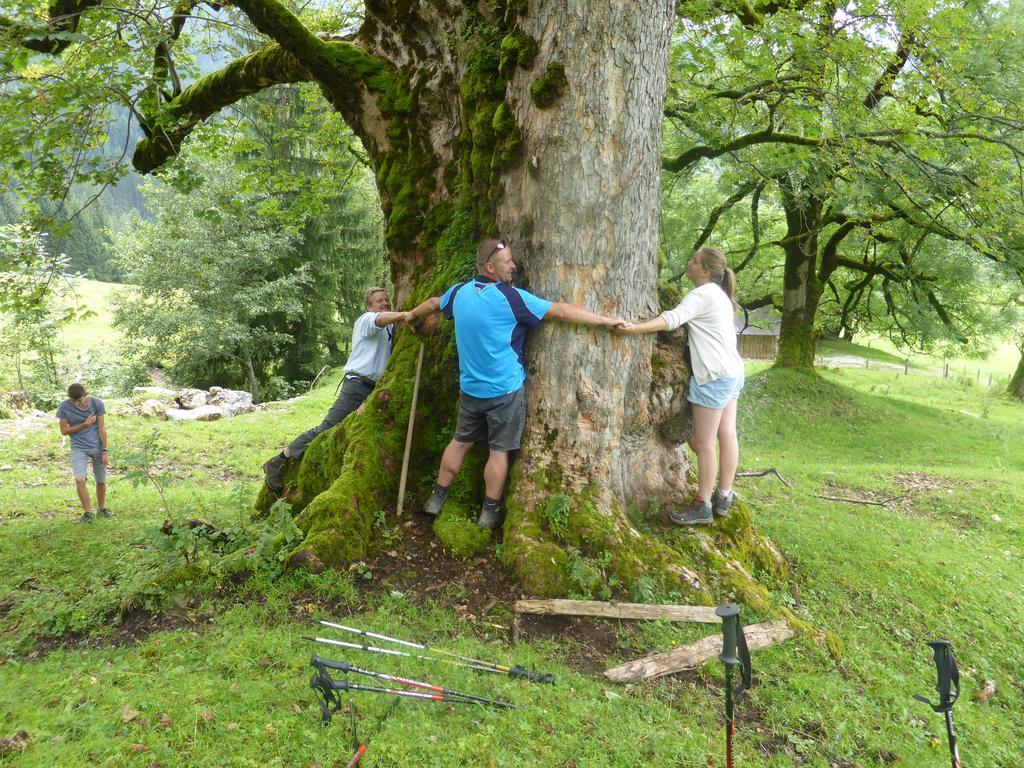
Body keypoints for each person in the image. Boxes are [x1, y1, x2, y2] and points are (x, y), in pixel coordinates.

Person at [406, 238, 624, 529]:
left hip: (470, 389)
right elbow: (559, 311)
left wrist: (411, 314)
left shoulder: (458, 293)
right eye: (506, 261)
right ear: (489, 267)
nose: (513, 265)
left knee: (460, 443)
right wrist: (604, 321)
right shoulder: (511, 298)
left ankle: (436, 500)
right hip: (505, 392)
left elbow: (434, 303)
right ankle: (488, 514)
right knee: (498, 451)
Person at [616, 246, 744, 526]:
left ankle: (703, 505)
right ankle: (724, 495)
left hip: (713, 376)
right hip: (733, 370)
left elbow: (671, 319)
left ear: (706, 271)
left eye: (695, 261)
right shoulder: (720, 296)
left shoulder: (702, 294)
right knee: (727, 434)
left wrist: (632, 328)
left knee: (702, 442)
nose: (690, 262)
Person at [262, 287, 407, 494]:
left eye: (386, 300)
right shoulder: (366, 320)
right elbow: (380, 319)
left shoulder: (390, 327)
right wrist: (405, 314)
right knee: (328, 428)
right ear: (368, 306)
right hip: (357, 385)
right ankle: (278, 461)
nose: (384, 303)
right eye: (378, 301)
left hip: (376, 390)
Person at [57, 382, 110, 523]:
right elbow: (64, 431)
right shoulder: (64, 407)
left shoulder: (97, 403)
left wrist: (105, 450)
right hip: (78, 446)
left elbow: (101, 428)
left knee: (101, 479)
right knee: (79, 479)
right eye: (74, 401)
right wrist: (85, 424)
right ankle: (88, 514)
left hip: (97, 446)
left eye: (79, 400)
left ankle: (102, 508)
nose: (77, 404)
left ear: (86, 395)